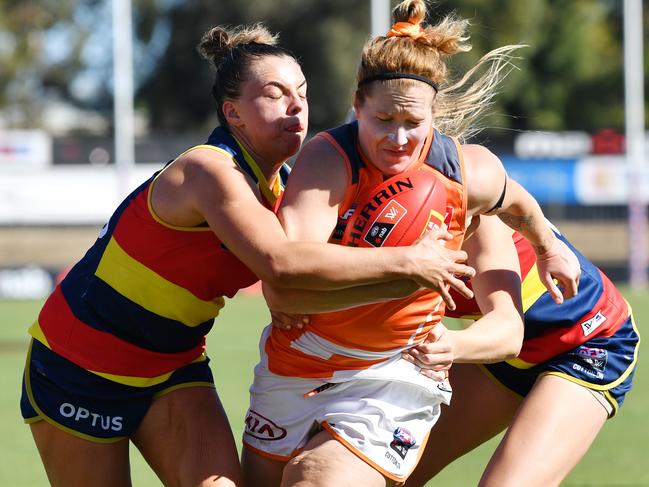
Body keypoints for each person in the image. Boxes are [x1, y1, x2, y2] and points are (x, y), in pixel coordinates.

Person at [19, 23, 476, 487]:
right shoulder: (208, 171)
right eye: (276, 95)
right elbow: (281, 262)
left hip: (173, 365)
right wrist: (410, 263)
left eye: (301, 93)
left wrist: (539, 234)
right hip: (76, 364)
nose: (296, 106)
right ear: (233, 112)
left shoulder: (282, 191)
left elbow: (296, 279)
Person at [241, 1, 581, 485]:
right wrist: (407, 267)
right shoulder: (328, 160)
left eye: (413, 123)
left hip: (396, 370)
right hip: (299, 358)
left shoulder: (468, 176)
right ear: (357, 105)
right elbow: (284, 281)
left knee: (314, 476)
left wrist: (549, 248)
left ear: (434, 114)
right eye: (382, 120)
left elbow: (520, 208)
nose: (398, 138)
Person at [403, 215, 640, 487]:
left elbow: (507, 333)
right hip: (495, 347)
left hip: (587, 340)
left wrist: (546, 244)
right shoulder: (355, 207)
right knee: (387, 470)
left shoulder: (471, 188)